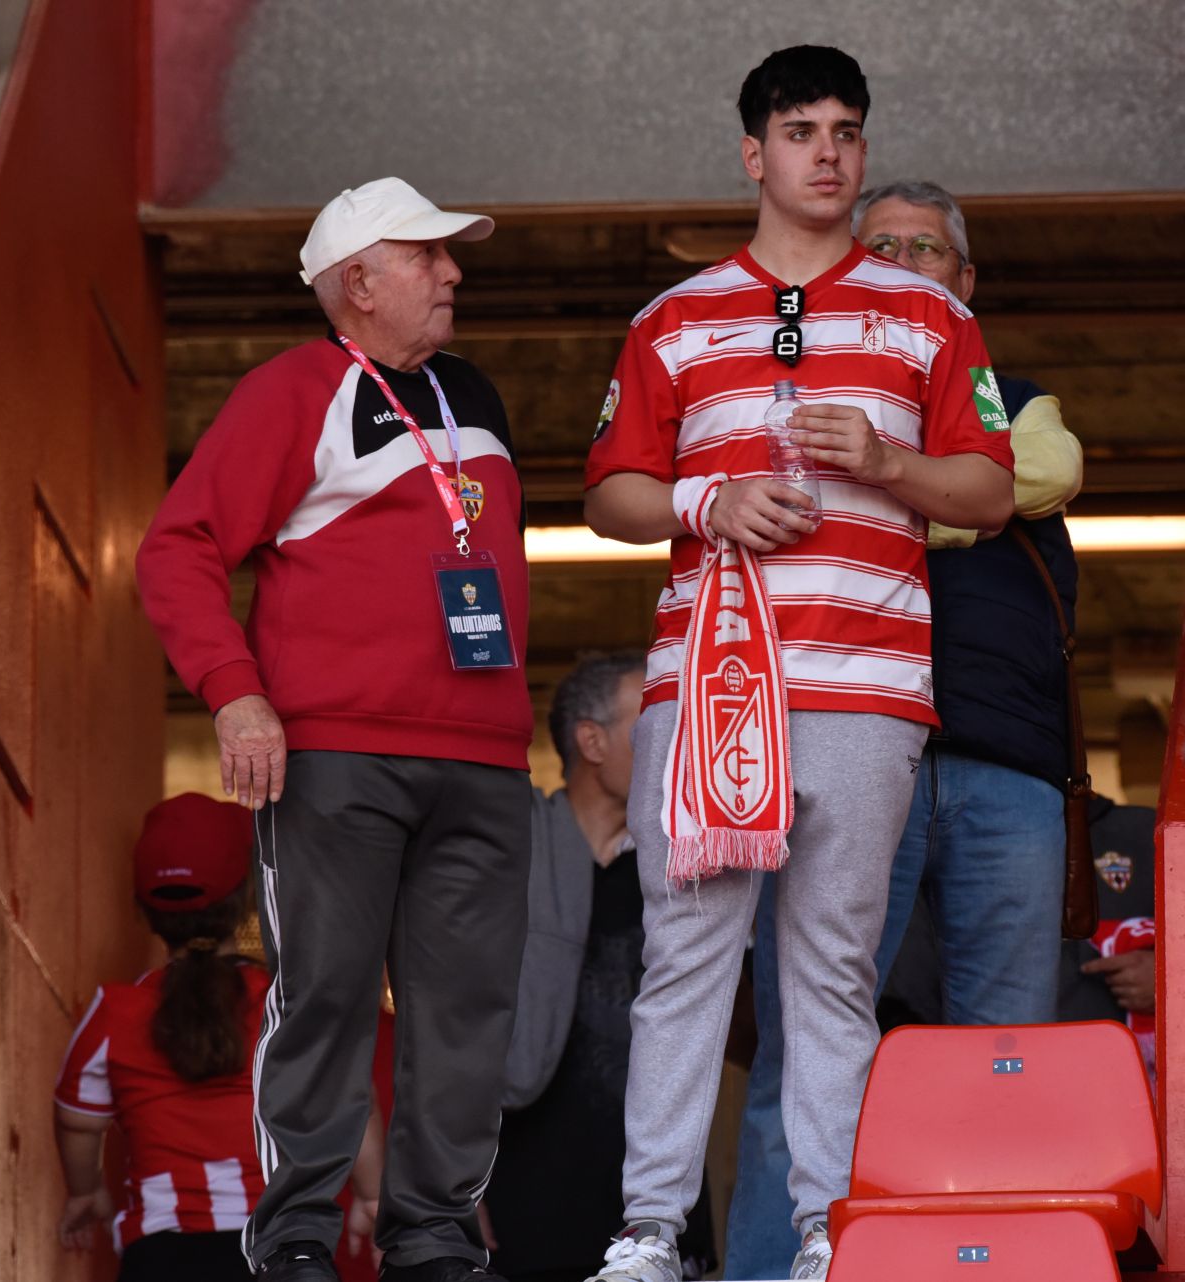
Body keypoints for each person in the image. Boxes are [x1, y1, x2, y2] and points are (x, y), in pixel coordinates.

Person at [581, 47, 1015, 1282]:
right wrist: (708, 501)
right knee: (687, 959)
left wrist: (885, 463)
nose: (827, 153)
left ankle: (831, 1225)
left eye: (846, 132)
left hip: (868, 688)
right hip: (708, 683)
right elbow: (608, 493)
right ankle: (650, 1230)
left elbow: (987, 491)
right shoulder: (671, 317)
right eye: (801, 131)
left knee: (831, 964)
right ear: (752, 154)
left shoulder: (933, 313)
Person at [135, 177, 534, 1282]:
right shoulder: (293, 389)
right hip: (337, 756)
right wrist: (234, 689)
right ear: (356, 282)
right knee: (325, 997)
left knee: (465, 1019)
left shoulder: (477, 396)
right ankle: (300, 1238)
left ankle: (438, 1240)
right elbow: (176, 549)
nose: (453, 272)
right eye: (428, 256)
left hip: (486, 758)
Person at [723, 178, 1085, 1276]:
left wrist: (897, 475)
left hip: (1005, 765)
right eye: (882, 244)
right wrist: (957, 491)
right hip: (848, 750)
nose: (908, 259)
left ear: (965, 283)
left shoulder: (1012, 395)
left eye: (929, 248)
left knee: (1005, 1058)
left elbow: (1048, 470)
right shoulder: (794, 404)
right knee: (805, 1050)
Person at [481, 652, 716, 1282]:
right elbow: (450, 1024)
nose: (680, 738)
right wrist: (453, 1188)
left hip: (657, 1215)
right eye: (657, 719)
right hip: (527, 1198)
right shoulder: (508, 866)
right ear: (592, 740)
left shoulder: (687, 876)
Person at [54, 794, 328, 1280]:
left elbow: (77, 1121)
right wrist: (371, 1195)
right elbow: (352, 1103)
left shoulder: (116, 1011)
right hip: (277, 1250)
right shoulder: (282, 1002)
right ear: (247, 900)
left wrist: (84, 1191)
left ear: (141, 910)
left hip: (161, 1256)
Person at [1063, 796, 1158, 1071]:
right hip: (1016, 1066)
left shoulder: (1145, 830)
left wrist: (1178, 982)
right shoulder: (967, 839)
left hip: (1135, 1082)